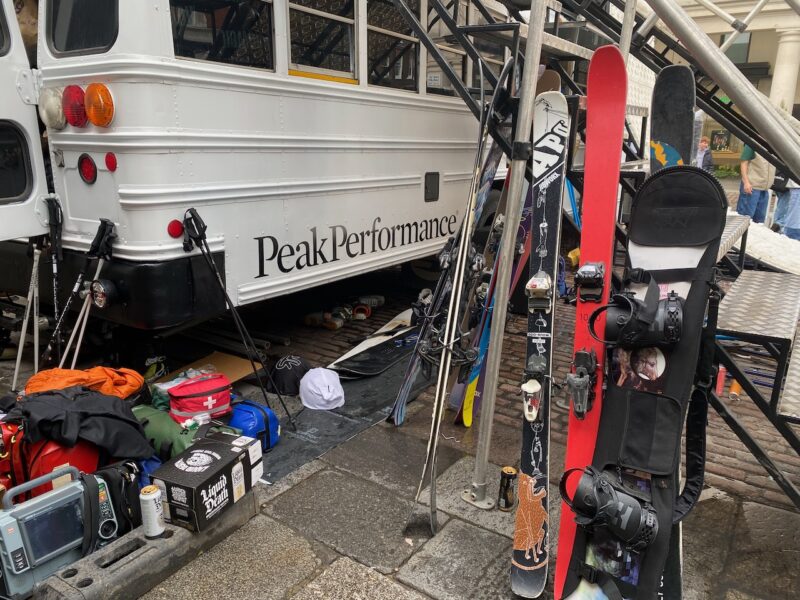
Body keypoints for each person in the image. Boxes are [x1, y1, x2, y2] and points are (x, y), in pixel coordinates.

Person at [737, 144, 775, 223]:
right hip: (752, 187)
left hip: (764, 189)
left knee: (759, 221)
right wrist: (746, 182)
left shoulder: (773, 144)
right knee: (745, 220)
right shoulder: (753, 143)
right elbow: (744, 163)